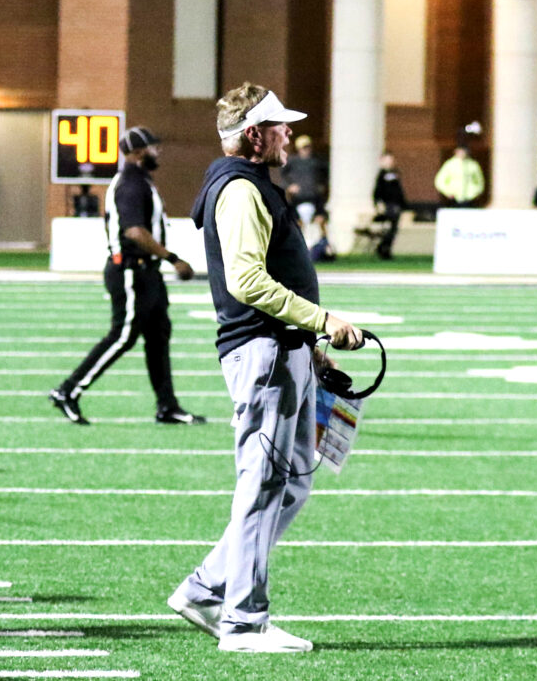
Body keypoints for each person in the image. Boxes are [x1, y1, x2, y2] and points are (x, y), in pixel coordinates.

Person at [168, 82, 363, 654]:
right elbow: (246, 280)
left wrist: (311, 340)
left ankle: (207, 588)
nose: (289, 135)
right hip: (264, 352)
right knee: (263, 483)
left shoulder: (252, 185)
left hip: (286, 348)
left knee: (293, 481)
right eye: (279, 126)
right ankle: (243, 623)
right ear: (253, 134)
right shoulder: (237, 190)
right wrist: (322, 319)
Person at [48, 126, 205, 426]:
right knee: (123, 335)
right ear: (137, 152)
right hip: (132, 270)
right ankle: (68, 390)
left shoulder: (140, 180)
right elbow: (134, 231)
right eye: (153, 147)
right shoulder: (132, 182)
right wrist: (173, 259)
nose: (158, 152)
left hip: (147, 272)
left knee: (158, 337)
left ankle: (167, 406)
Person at [279, 134, 327, 221]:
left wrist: (322, 186)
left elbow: (325, 175)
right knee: (296, 221)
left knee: (320, 219)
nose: (307, 149)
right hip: (298, 198)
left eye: (308, 147)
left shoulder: (317, 161)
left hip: (314, 197)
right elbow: (283, 175)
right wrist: (289, 186)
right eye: (304, 147)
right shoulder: (292, 161)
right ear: (299, 148)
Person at [372, 151, 406, 259]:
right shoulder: (381, 175)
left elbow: (399, 191)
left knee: (393, 229)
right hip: (388, 205)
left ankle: (385, 248)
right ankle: (383, 248)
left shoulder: (395, 173)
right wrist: (378, 204)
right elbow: (377, 191)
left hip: (396, 205)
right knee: (389, 229)